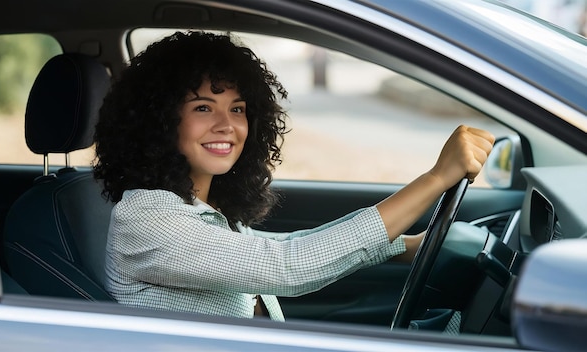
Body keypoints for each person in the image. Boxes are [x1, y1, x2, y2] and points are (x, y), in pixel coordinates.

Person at [93, 31, 495, 322]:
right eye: (203, 108)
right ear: (160, 121)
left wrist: (403, 246)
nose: (226, 125)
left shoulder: (199, 208)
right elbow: (290, 265)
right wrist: (436, 177)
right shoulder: (146, 219)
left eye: (237, 109)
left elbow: (285, 245)